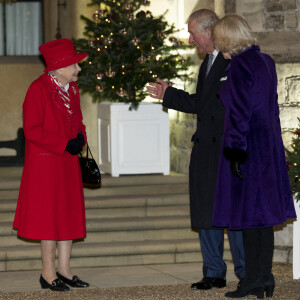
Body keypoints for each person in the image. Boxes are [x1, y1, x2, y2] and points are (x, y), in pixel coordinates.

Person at [147, 9, 245, 290]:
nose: (191, 40)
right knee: (206, 212)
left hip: (228, 149)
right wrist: (169, 94)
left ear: (211, 32)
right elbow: (202, 103)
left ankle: (245, 273)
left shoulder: (233, 61)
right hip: (205, 150)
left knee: (234, 214)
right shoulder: (210, 61)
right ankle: (213, 272)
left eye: (193, 33)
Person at [212, 14, 297, 298]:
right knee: (263, 218)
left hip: (247, 145)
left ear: (225, 39)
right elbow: (270, 108)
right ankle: (265, 276)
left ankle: (251, 279)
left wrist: (235, 152)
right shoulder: (265, 61)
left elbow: (238, 114)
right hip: (268, 145)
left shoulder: (239, 66)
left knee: (249, 216)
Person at [13, 38, 90, 291]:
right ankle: (47, 274)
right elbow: (32, 130)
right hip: (45, 165)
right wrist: (62, 143)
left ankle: (65, 270)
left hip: (67, 164)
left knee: (67, 215)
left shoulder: (73, 90)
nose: (78, 69)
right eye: (73, 65)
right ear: (57, 67)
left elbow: (78, 121)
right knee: (49, 219)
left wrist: (80, 138)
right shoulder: (38, 89)